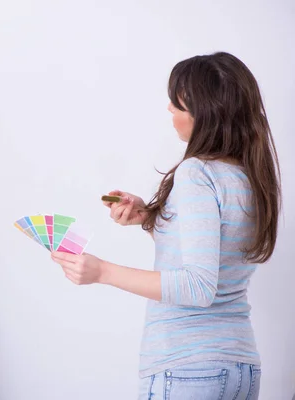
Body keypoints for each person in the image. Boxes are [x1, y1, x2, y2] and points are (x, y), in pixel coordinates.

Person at [51, 52, 281, 399]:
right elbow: (218, 247)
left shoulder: (196, 173)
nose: (170, 112)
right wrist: (152, 217)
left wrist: (101, 272)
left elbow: (198, 286)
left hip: (187, 368)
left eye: (177, 104)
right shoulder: (249, 176)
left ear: (204, 114)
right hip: (241, 369)